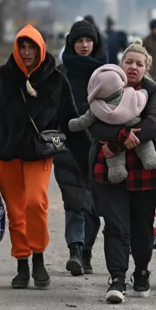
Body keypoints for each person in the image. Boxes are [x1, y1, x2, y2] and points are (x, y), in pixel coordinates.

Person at [0, 25, 92, 290]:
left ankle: (39, 256)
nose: (26, 52)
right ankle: (22, 263)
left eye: (31, 47)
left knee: (36, 203)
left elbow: (71, 120)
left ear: (40, 48)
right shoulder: (2, 77)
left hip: (39, 155)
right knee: (16, 211)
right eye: (22, 47)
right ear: (16, 48)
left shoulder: (56, 79)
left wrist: (88, 160)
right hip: (5, 155)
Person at [80, 40, 156, 304]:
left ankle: (141, 272)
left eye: (139, 64)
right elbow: (93, 123)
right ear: (120, 65)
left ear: (146, 69)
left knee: (142, 226)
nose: (133, 67)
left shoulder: (153, 92)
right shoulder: (104, 85)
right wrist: (123, 135)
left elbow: (153, 125)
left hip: (145, 171)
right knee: (115, 226)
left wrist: (118, 142)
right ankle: (117, 279)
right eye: (128, 62)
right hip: (108, 172)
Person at [55, 20, 106, 276]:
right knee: (73, 200)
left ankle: (86, 252)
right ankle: (75, 250)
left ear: (95, 44)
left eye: (88, 41)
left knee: (94, 205)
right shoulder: (61, 72)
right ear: (71, 44)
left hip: (99, 147)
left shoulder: (108, 73)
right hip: (67, 146)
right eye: (79, 41)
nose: (84, 45)